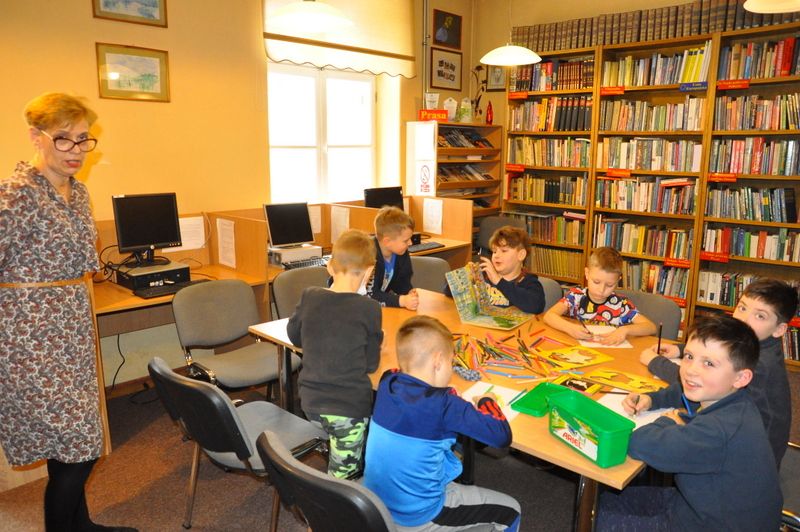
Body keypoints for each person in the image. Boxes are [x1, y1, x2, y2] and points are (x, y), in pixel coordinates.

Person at [0, 93, 136, 531]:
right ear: (35, 137)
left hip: (72, 329)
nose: (76, 150)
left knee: (75, 443)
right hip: (32, 339)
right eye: (64, 139)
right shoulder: (16, 195)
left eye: (83, 139)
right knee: (79, 445)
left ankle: (82, 525)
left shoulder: (78, 193)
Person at [596, 315, 782, 531]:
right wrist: (652, 399)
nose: (691, 370)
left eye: (709, 363)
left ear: (741, 378)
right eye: (689, 356)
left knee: (598, 518)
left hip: (709, 524)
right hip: (700, 504)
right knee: (605, 500)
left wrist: (666, 422)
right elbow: (684, 393)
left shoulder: (718, 431)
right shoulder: (734, 399)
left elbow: (639, 443)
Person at [363, 316, 521, 531]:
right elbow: (501, 435)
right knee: (512, 510)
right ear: (438, 361)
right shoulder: (446, 405)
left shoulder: (387, 382)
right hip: (419, 515)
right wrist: (486, 401)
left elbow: (403, 376)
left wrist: (448, 393)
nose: (451, 369)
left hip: (376, 503)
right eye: (451, 362)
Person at [640, 277, 798, 467]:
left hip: (747, 460)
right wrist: (681, 350)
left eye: (760, 316)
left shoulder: (760, 366)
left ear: (780, 329)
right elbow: (722, 352)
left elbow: (700, 379)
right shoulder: (759, 344)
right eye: (742, 308)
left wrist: (655, 362)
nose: (743, 319)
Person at [287, 229, 383, 478]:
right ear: (369, 271)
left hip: (310, 403)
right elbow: (371, 364)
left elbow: (294, 337)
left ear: (330, 266)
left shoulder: (310, 296)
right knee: (343, 481)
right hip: (347, 410)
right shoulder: (370, 309)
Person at [543, 246, 656, 345]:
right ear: (587, 273)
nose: (601, 290)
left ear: (617, 281)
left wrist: (625, 330)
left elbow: (651, 327)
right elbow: (549, 316)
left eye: (609, 285)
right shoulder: (575, 296)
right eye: (596, 282)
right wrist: (569, 328)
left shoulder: (622, 304)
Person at [445, 225, 545, 314]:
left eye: (504, 251)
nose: (497, 256)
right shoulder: (484, 275)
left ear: (521, 255)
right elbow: (448, 292)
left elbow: (536, 307)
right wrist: (464, 277)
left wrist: (499, 281)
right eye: (494, 251)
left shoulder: (529, 282)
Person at [366, 205, 419, 310]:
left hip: (382, 309)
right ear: (387, 241)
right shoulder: (368, 256)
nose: (410, 243)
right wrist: (401, 301)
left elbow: (402, 282)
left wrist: (408, 292)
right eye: (406, 240)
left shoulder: (401, 252)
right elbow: (370, 295)